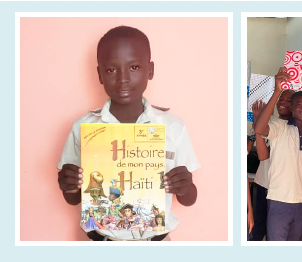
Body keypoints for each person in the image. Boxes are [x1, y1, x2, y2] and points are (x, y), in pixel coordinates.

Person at [56, 25, 199, 241]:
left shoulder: (173, 127)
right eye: (111, 70)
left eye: (134, 67)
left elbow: (189, 199)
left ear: (150, 70)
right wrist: (69, 186)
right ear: (100, 75)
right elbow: (73, 199)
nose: (123, 78)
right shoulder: (83, 128)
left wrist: (186, 186)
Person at [252, 67, 302, 241]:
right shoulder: (279, 127)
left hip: (300, 200)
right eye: (299, 105)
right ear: (292, 107)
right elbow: (260, 129)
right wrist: (277, 91)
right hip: (279, 199)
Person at [247, 89, 295, 241]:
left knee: (274, 231)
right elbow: (250, 152)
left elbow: (264, 155)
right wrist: (257, 121)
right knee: (256, 226)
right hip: (263, 183)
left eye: (288, 100)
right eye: (281, 98)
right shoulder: (269, 124)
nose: (282, 102)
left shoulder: (294, 129)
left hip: (281, 190)